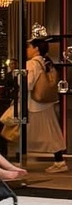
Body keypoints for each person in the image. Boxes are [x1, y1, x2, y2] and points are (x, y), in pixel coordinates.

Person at [26, 39, 66, 172]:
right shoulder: (45, 62)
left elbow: (28, 83)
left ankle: (12, 159)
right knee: (51, 132)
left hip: (34, 104)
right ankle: (59, 161)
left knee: (15, 128)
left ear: (36, 49)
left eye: (29, 47)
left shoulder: (31, 63)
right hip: (45, 103)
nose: (27, 50)